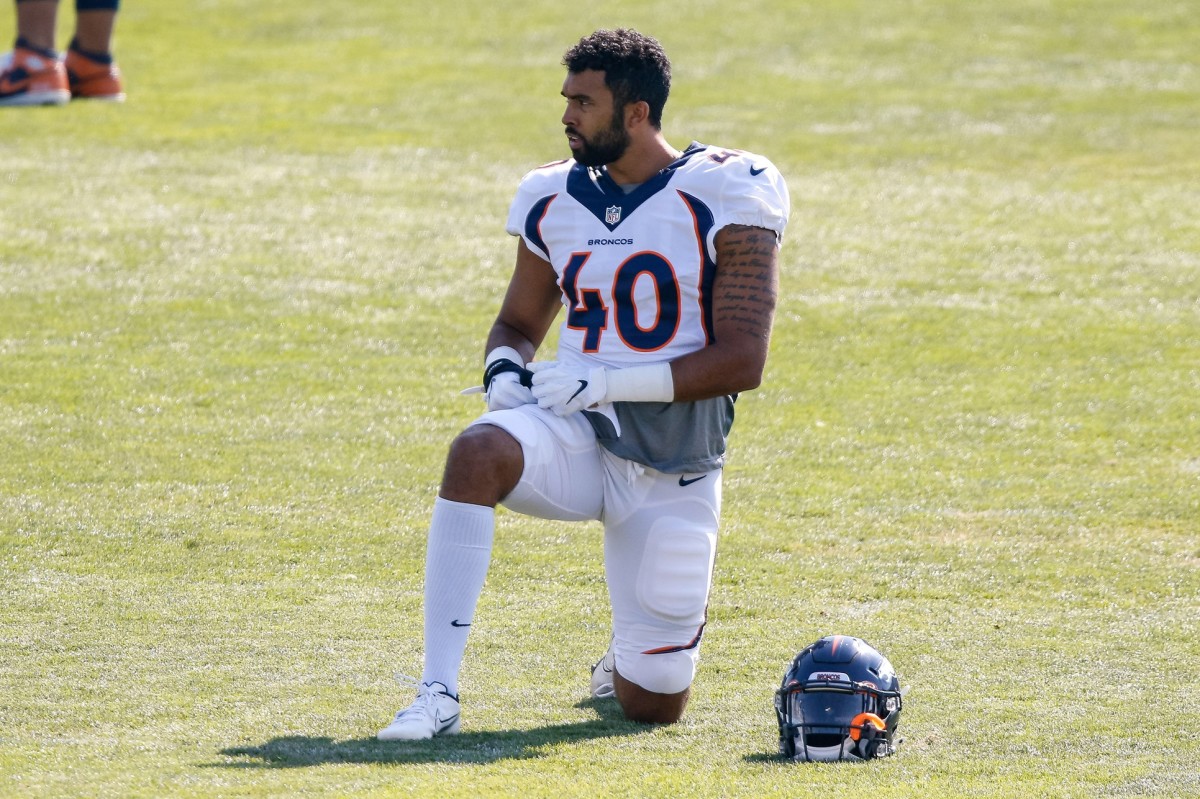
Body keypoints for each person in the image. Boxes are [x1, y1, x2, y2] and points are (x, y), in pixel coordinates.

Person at [378, 27, 790, 740]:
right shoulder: (551, 195)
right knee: (476, 451)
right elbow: (516, 321)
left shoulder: (729, 188)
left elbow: (741, 361)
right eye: (566, 99)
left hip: (672, 463)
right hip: (576, 434)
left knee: (652, 705)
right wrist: (503, 370)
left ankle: (626, 661)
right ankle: (437, 690)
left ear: (635, 112)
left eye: (583, 102)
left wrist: (605, 379)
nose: (567, 115)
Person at [0, 0, 123, 106]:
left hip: (33, 71)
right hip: (98, 70)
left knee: (37, 49)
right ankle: (92, 65)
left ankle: (35, 64)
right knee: (91, 56)